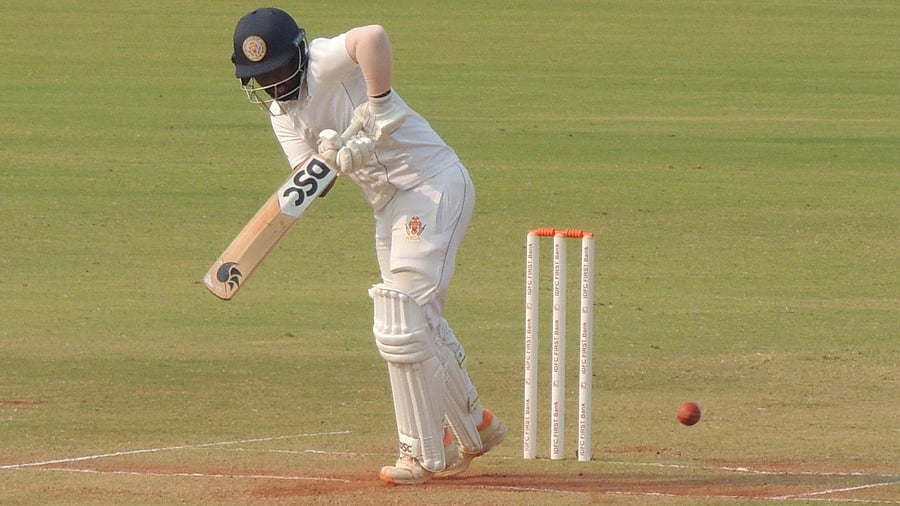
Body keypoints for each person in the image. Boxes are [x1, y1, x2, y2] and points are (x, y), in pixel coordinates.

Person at [230, 8, 507, 485]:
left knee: (402, 321)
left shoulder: (322, 61)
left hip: (431, 185)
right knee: (415, 320)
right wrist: (334, 159)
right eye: (262, 78)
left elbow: (372, 37)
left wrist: (379, 103)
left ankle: (423, 452)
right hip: (389, 205)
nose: (273, 84)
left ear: (298, 54)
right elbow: (313, 180)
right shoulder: (282, 114)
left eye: (278, 70)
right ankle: (474, 425)